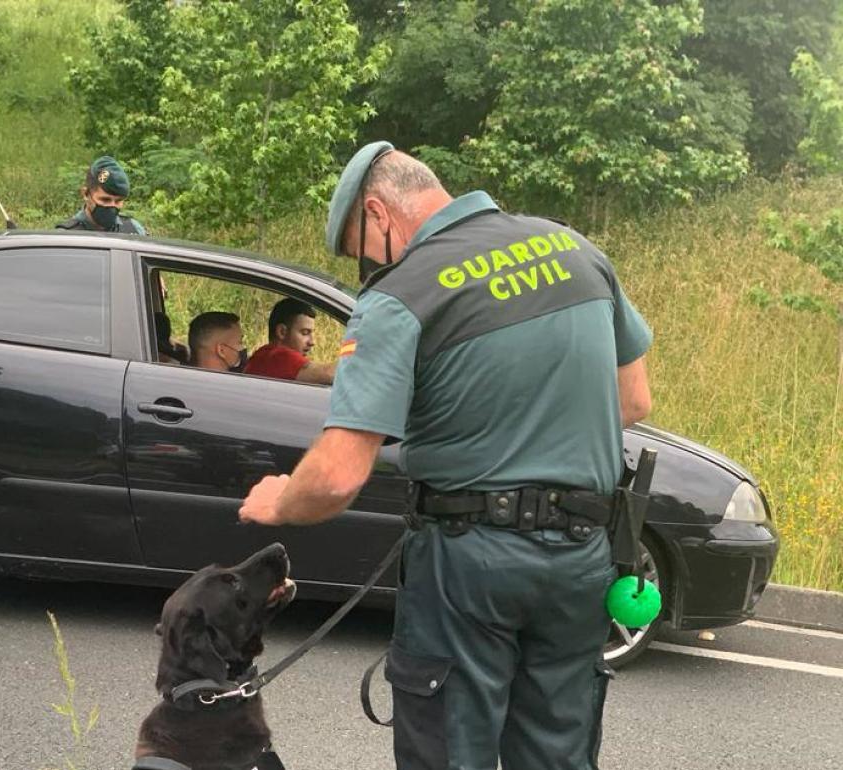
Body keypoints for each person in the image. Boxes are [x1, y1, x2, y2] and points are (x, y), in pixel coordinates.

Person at [239, 142, 653, 770]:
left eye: (359, 252)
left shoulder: (402, 294)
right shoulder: (576, 250)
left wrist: (278, 502)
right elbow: (633, 399)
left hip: (470, 564)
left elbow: (338, 475)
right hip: (581, 556)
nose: (366, 270)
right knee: (557, 755)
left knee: (450, 752)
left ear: (379, 213)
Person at [243, 297, 335, 384]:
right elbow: (329, 373)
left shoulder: (264, 357)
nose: (312, 342)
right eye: (305, 333)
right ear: (282, 332)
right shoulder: (277, 357)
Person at [56, 155, 147, 234]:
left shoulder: (134, 230)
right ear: (85, 194)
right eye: (105, 200)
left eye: (118, 201)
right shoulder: (66, 237)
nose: (112, 206)